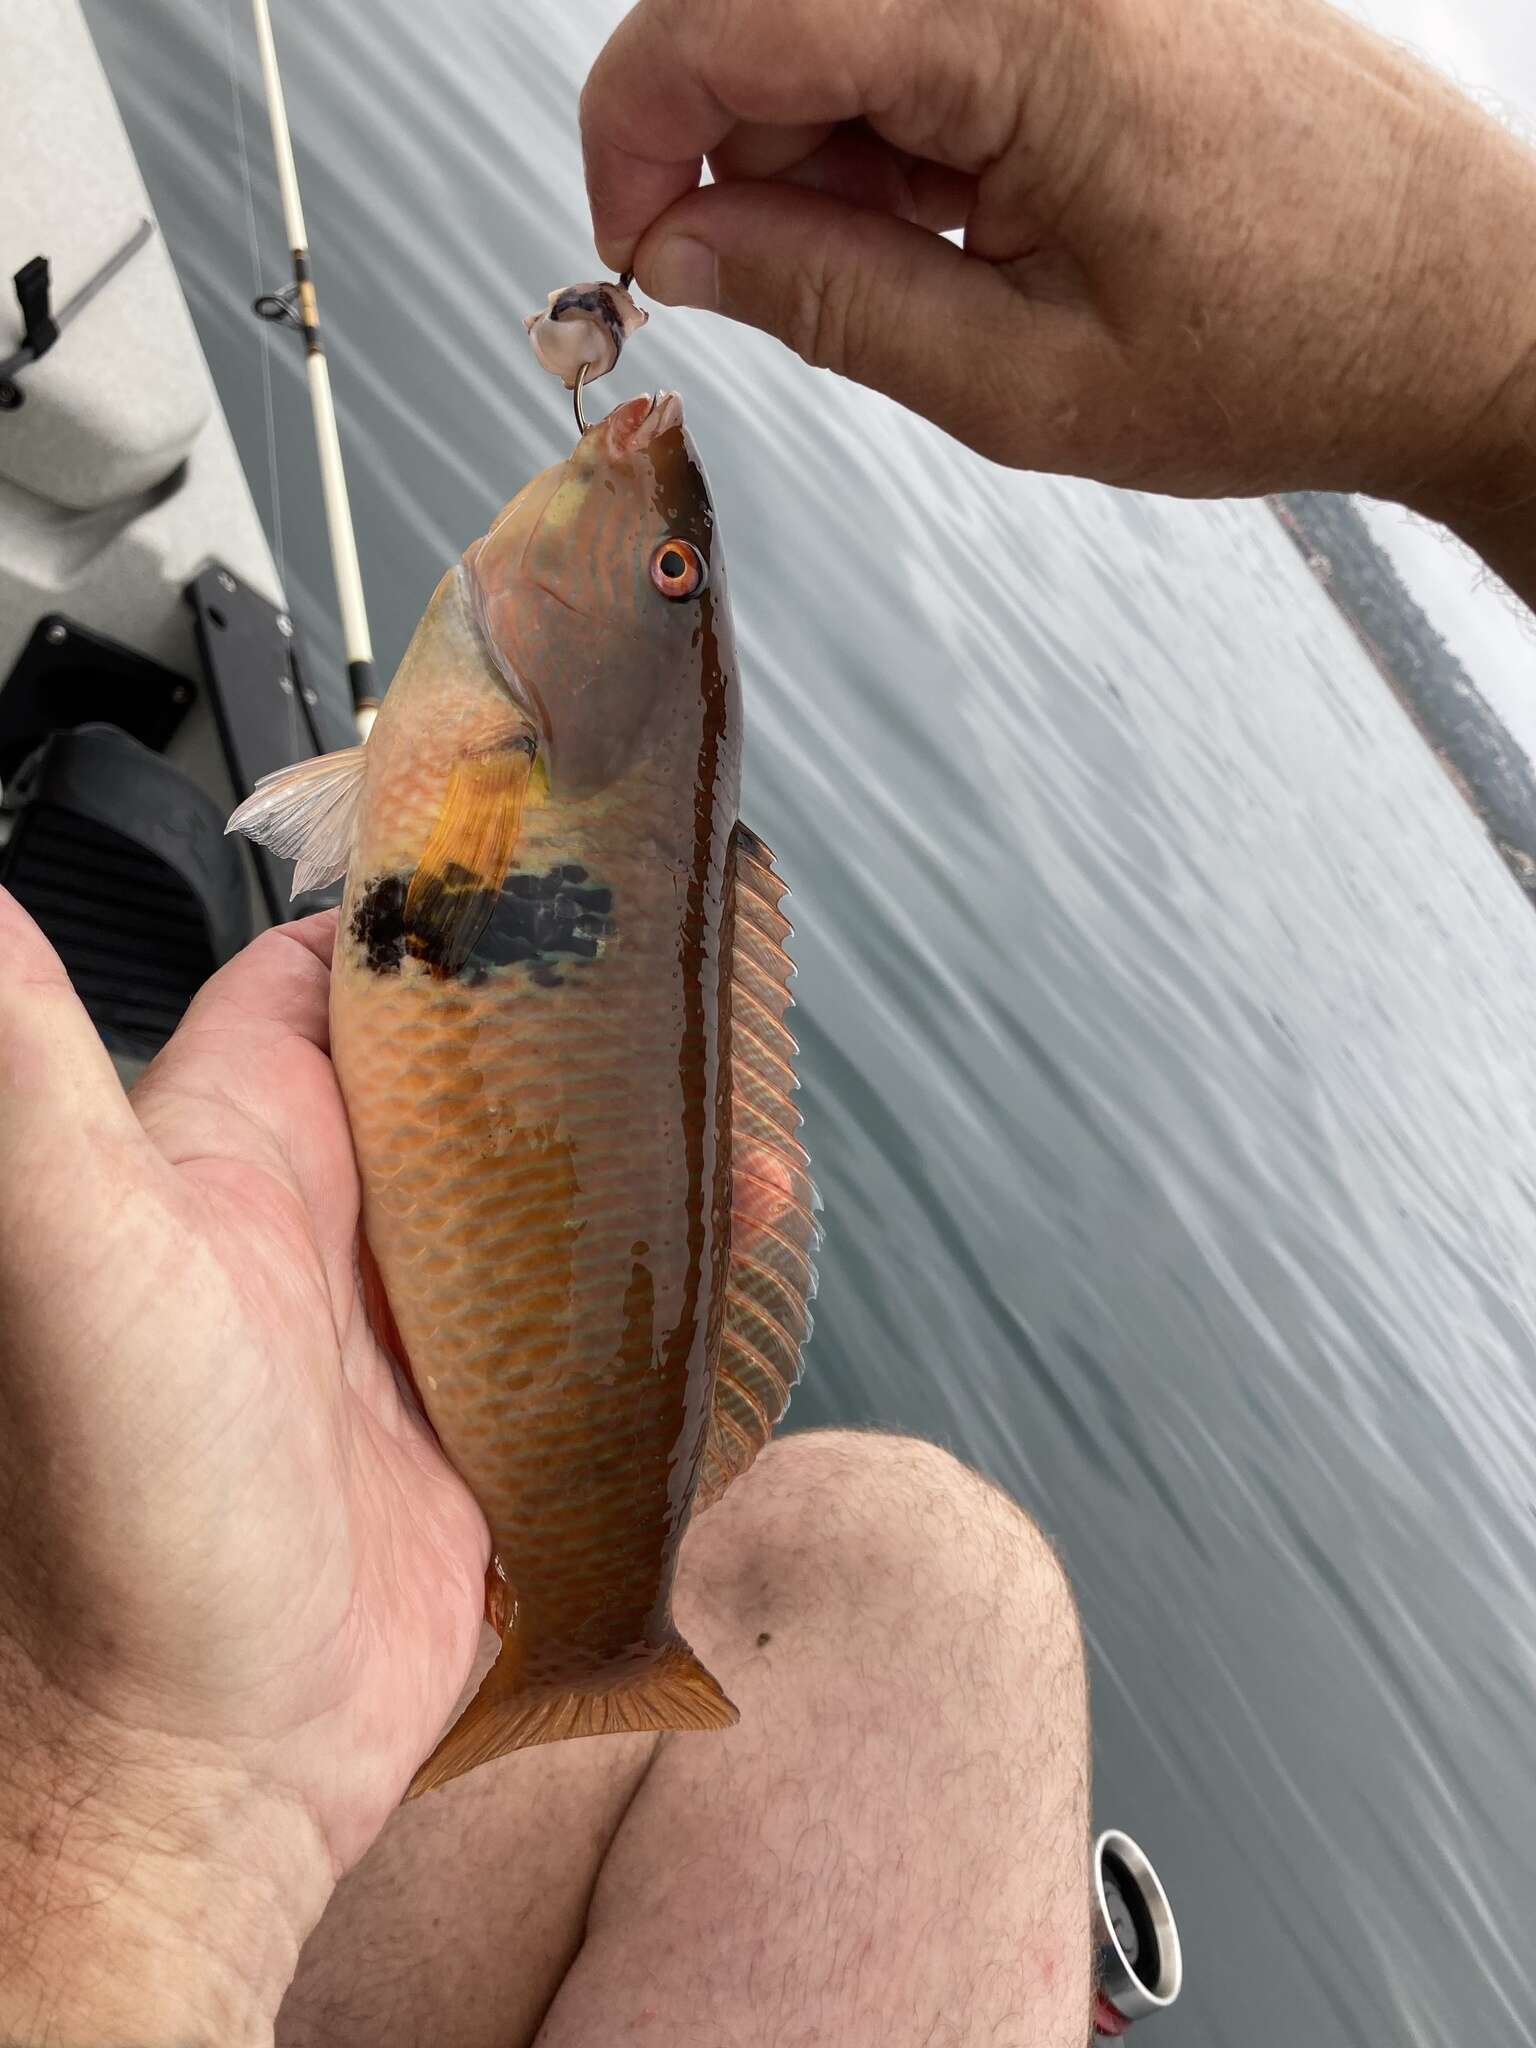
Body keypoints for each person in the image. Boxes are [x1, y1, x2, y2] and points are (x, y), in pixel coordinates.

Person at [0, 0, 1530, 2041]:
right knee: (920, 1587)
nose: (653, 504)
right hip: (278, 1665)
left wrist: (145, 1797)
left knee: (921, 1583)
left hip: (232, 1728)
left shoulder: (513, 752)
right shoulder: (525, 757)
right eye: (679, 567)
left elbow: (406, 848)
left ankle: (542, 1634)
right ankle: (539, 1630)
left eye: (667, 565)